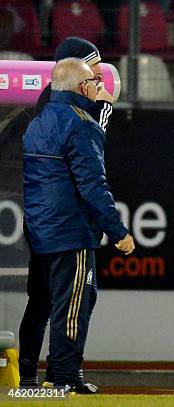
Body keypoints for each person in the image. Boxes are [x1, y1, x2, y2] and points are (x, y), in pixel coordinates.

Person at [21, 58, 134, 393]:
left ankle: (39, 378)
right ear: (83, 88)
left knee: (55, 303)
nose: (98, 86)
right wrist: (119, 232)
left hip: (40, 231)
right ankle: (63, 378)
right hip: (70, 231)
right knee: (74, 306)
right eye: (93, 82)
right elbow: (93, 187)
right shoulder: (81, 124)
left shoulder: (36, 124)